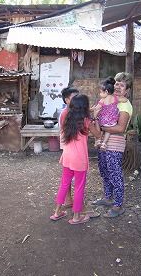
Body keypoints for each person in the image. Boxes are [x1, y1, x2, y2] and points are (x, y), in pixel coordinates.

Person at [50, 94, 100, 225]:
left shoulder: (67, 118)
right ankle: (76, 217)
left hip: (67, 156)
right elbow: (98, 135)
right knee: (79, 187)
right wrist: (95, 119)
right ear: (85, 107)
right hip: (79, 159)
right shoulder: (86, 121)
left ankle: (57, 212)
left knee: (64, 184)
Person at [91, 72, 133, 218]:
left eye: (122, 85)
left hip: (115, 143)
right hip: (103, 141)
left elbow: (120, 128)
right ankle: (108, 198)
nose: (118, 87)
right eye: (116, 83)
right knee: (104, 170)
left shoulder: (125, 106)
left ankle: (118, 205)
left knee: (115, 173)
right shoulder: (110, 99)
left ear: (127, 90)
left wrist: (101, 128)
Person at [58, 87, 79, 209]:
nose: (78, 100)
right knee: (71, 175)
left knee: (68, 176)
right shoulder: (67, 113)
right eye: (74, 98)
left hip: (69, 148)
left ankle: (68, 200)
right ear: (67, 100)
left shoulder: (71, 111)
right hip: (71, 148)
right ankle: (73, 201)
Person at [92, 77, 127, 150]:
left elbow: (96, 108)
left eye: (101, 92)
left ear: (107, 92)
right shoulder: (115, 98)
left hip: (103, 121)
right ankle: (104, 143)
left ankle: (98, 140)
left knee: (97, 122)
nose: (100, 94)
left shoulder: (103, 100)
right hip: (112, 122)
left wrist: (91, 109)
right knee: (108, 131)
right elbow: (124, 100)